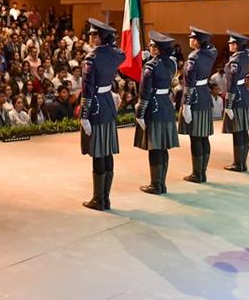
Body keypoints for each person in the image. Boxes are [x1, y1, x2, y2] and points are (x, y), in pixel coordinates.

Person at [79, 19, 125, 211]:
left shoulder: (91, 59)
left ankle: (99, 199)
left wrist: (84, 114)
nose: (90, 38)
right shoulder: (115, 54)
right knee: (107, 152)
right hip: (107, 103)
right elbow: (122, 55)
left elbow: (87, 89)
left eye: (93, 35)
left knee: (98, 153)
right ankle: (105, 197)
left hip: (96, 106)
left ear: (99, 37)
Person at [134, 32, 180, 195]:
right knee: (163, 148)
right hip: (166, 105)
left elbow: (144, 92)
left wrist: (139, 113)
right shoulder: (173, 63)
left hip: (153, 106)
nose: (150, 48)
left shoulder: (150, 66)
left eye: (152, 46)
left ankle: (155, 184)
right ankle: (162, 183)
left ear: (158, 49)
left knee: (155, 148)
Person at [179, 26, 218, 183]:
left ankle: (197, 174)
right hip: (204, 94)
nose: (190, 40)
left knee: (195, 138)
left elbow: (189, 83)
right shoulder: (210, 54)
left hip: (194, 97)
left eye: (192, 38)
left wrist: (186, 104)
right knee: (204, 137)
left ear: (197, 41)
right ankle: (203, 172)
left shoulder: (193, 58)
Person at [221, 32, 249, 173]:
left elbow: (232, 83)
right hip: (244, 93)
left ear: (236, 44)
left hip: (236, 96)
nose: (229, 45)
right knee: (243, 131)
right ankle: (242, 162)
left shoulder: (235, 61)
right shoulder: (248, 57)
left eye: (231, 43)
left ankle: (238, 163)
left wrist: (228, 105)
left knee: (237, 132)